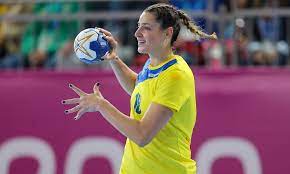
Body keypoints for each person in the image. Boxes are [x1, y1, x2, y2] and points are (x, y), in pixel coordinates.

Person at [62, 3, 216, 174]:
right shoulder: (153, 64)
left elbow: (142, 135)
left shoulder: (175, 75)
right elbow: (138, 87)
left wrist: (101, 105)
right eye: (138, 27)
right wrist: (114, 59)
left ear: (168, 32)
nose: (136, 33)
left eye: (146, 28)